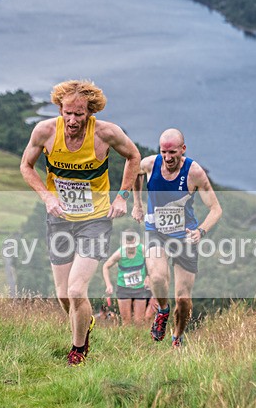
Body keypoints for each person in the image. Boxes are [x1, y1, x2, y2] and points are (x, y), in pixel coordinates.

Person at [20, 79, 140, 366]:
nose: (73, 121)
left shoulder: (106, 133)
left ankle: (78, 351)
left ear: (91, 112)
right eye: (68, 113)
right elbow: (26, 165)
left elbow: (134, 156)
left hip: (95, 220)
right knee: (63, 295)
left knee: (76, 290)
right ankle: (84, 324)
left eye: (80, 114)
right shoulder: (46, 131)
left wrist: (122, 197)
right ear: (60, 109)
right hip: (59, 218)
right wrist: (47, 197)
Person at [132, 128, 222, 347]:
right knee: (157, 278)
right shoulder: (150, 164)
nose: (168, 157)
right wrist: (137, 204)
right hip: (156, 231)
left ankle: (177, 337)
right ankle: (162, 311)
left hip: (185, 237)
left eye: (173, 152)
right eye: (164, 152)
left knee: (183, 300)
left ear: (183, 149)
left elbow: (216, 209)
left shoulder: (194, 173)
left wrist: (200, 231)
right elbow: (135, 173)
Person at [102, 231, 152, 325]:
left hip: (140, 289)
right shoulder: (119, 253)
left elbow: (151, 263)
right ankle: (127, 339)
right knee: (126, 320)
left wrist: (148, 276)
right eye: (128, 246)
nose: (131, 248)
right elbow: (105, 266)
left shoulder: (142, 250)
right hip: (123, 289)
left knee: (139, 321)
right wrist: (108, 284)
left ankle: (138, 339)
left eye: (133, 245)